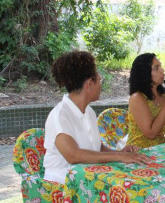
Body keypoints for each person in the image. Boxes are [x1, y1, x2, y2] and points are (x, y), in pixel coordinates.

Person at [44, 51, 150, 184]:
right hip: (63, 186)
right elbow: (73, 155)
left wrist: (120, 153)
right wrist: (120, 156)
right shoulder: (60, 116)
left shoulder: (88, 111)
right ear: (89, 84)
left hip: (87, 179)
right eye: (100, 80)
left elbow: (97, 148)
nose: (101, 85)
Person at [127, 53, 165, 148]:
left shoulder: (164, 96)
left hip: (161, 150)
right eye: (156, 68)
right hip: (139, 152)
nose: (162, 70)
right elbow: (150, 134)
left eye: (161, 67)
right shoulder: (137, 97)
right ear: (144, 72)